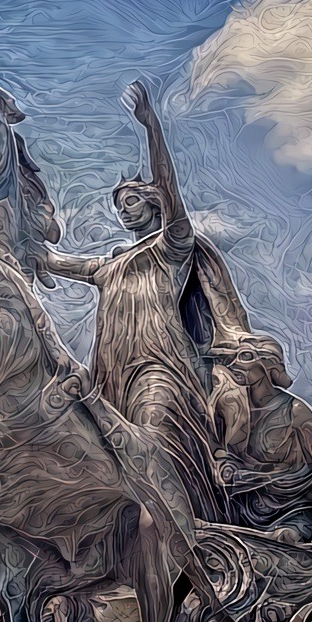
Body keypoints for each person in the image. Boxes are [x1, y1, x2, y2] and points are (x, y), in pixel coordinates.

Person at [46, 81, 248, 523]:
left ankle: (190, 530)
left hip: (159, 366)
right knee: (105, 459)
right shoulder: (109, 265)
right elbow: (52, 260)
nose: (124, 210)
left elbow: (169, 185)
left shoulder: (172, 246)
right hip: (111, 372)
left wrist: (151, 126)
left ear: (154, 202)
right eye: (119, 206)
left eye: (132, 200)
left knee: (155, 432)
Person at [208, 335, 312, 550]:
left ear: (268, 365)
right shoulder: (231, 410)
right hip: (243, 511)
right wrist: (226, 467)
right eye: (232, 358)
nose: (234, 364)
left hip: (291, 512)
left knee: (284, 540)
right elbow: (219, 454)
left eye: (245, 356)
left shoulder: (296, 412)